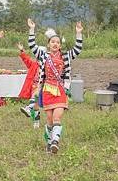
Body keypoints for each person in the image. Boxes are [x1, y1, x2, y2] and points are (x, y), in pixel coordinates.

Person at [27, 18, 83, 154]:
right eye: (52, 42)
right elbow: (32, 46)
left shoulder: (66, 56)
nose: (55, 44)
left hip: (60, 90)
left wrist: (79, 33)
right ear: (48, 44)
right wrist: (32, 29)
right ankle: (49, 143)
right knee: (50, 120)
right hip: (47, 90)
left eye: (57, 42)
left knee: (57, 117)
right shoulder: (43, 55)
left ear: (60, 45)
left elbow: (78, 49)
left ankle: (55, 142)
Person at [16, 42, 42, 129]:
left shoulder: (48, 66)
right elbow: (26, 59)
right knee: (36, 106)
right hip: (33, 86)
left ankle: (28, 108)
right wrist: (22, 50)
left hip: (43, 87)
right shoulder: (34, 64)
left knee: (35, 98)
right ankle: (36, 122)